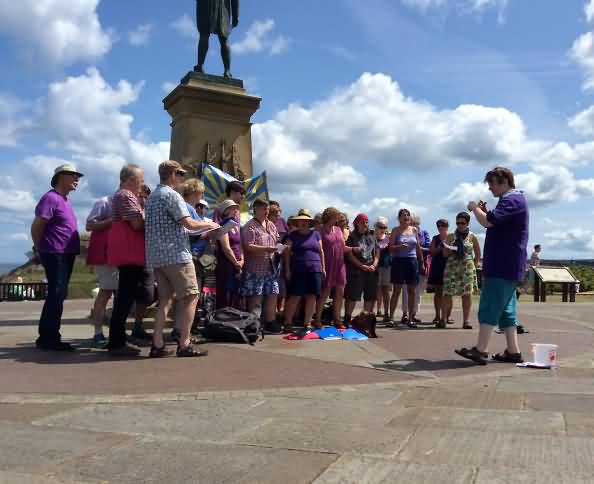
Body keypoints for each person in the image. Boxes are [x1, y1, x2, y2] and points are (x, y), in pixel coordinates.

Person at [455, 167, 529, 365]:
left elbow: (488, 222)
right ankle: (513, 351)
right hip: (510, 265)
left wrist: (475, 208)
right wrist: (486, 212)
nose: (490, 189)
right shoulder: (515, 201)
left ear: (504, 182)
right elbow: (496, 221)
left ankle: (481, 349)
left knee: (490, 305)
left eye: (492, 184)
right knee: (506, 309)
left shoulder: (511, 200)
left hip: (502, 264)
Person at [145, 161, 218, 358]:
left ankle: (157, 343)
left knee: (165, 300)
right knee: (192, 295)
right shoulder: (172, 195)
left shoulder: (152, 197)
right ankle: (184, 343)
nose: (182, 178)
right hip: (176, 254)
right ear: (171, 174)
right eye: (180, 174)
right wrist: (210, 225)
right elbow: (189, 224)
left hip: (157, 256)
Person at [31, 164, 84, 351]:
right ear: (61, 177)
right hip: (55, 252)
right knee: (56, 293)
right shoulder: (50, 198)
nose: (77, 179)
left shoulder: (64, 200)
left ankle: (48, 336)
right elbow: (37, 226)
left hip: (65, 253)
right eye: (74, 175)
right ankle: (49, 338)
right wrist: (39, 249)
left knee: (58, 294)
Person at [106, 164, 154, 355]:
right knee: (124, 298)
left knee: (126, 297)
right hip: (130, 254)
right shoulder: (124, 196)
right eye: (141, 179)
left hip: (130, 254)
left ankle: (118, 340)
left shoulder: (127, 196)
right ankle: (116, 343)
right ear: (130, 179)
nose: (143, 183)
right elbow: (136, 224)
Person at [240, 198, 281, 334]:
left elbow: (276, 240)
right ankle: (253, 323)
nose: (266, 212)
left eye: (268, 209)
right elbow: (248, 245)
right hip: (255, 268)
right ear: (255, 209)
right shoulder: (250, 226)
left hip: (270, 267)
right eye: (264, 209)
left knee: (273, 293)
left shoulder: (271, 225)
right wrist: (266, 248)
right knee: (256, 296)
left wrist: (281, 247)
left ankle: (270, 321)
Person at [283, 210, 325, 332]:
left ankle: (307, 323)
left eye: (306, 221)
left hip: (315, 269)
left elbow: (321, 251)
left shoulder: (316, 234)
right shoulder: (292, 235)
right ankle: (288, 322)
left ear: (310, 222)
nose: (303, 223)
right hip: (298, 269)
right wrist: (287, 270)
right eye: (301, 221)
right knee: (295, 296)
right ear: (297, 222)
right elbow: (286, 253)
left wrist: (323, 268)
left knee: (312, 297)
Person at [441, 212, 481, 329]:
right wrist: (452, 249)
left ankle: (466, 321)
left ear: (468, 223)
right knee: (447, 293)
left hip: (466, 269)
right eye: (458, 223)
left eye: (462, 223)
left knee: (466, 295)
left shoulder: (472, 236)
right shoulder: (451, 236)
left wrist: (472, 265)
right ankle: (443, 319)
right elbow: (444, 253)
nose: (460, 225)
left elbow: (478, 254)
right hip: (452, 267)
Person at [85, 195, 116, 346]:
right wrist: (113, 220)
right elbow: (89, 225)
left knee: (120, 295)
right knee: (105, 291)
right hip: (106, 255)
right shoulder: (104, 202)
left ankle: (117, 333)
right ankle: (98, 333)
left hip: (120, 254)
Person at [388, 208, 425, 328]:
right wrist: (399, 246)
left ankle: (410, 318)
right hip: (399, 261)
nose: (406, 217)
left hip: (412, 261)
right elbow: (390, 248)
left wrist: (422, 262)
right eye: (403, 215)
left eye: (407, 215)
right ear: (399, 218)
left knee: (412, 291)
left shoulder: (414, 230)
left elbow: (418, 247)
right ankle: (391, 318)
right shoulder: (395, 230)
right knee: (397, 290)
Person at [344, 213, 379, 326]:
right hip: (357, 271)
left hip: (371, 270)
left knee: (370, 297)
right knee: (352, 296)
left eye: (366, 222)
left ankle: (366, 319)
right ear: (357, 223)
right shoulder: (352, 236)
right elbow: (349, 255)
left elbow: (377, 252)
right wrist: (361, 266)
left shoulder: (372, 235)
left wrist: (374, 265)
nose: (364, 224)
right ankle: (347, 319)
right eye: (362, 222)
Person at [315, 207, 348, 327]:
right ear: (329, 217)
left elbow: (343, 247)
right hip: (327, 263)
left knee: (340, 292)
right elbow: (318, 247)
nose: (337, 219)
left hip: (340, 264)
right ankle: (317, 318)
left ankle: (337, 319)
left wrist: (354, 249)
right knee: (325, 292)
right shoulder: (319, 229)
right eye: (335, 217)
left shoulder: (339, 229)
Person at [195, 0, 240, 78]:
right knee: (224, 39)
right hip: (223, 9)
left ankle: (200, 66)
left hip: (206, 5)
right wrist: (236, 15)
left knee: (204, 35)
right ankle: (227, 70)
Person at [401, 214, 430, 323]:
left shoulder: (424, 233)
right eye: (412, 223)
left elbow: (429, 246)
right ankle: (404, 313)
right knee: (405, 290)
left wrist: (419, 248)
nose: (414, 225)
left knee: (418, 291)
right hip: (407, 263)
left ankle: (413, 314)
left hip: (420, 264)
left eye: (416, 223)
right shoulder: (405, 232)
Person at [216, 199, 243, 309]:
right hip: (226, 263)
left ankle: (233, 319)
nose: (236, 210)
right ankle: (222, 319)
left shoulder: (236, 225)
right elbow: (226, 247)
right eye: (233, 208)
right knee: (225, 293)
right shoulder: (223, 225)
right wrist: (236, 263)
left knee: (235, 293)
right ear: (226, 210)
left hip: (236, 264)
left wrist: (242, 260)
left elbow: (240, 245)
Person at [427, 219, 450, 325]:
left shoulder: (452, 237)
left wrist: (449, 247)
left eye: (443, 225)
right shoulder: (435, 238)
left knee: (449, 292)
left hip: (449, 266)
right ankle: (437, 315)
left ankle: (447, 316)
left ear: (447, 226)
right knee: (438, 292)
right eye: (439, 226)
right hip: (437, 266)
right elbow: (431, 252)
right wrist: (440, 247)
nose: (441, 227)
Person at [268, 200, 289, 312]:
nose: (278, 218)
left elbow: (284, 239)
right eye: (276, 215)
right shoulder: (264, 225)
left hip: (278, 261)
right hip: (266, 261)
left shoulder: (282, 222)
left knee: (278, 288)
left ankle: (276, 312)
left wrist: (285, 247)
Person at [374, 216, 392, 322]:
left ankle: (386, 312)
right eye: (381, 227)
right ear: (376, 227)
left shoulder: (389, 238)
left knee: (385, 290)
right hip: (375, 266)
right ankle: (377, 310)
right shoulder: (372, 237)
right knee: (376, 289)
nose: (383, 229)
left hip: (386, 266)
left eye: (385, 227)